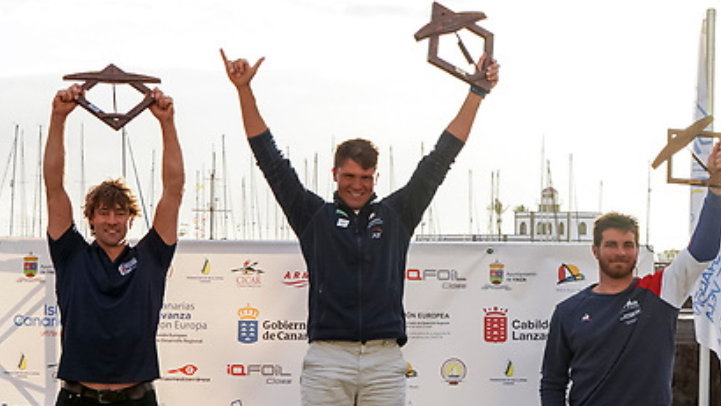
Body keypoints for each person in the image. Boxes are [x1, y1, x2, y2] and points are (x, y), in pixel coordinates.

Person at [220, 48, 498, 406]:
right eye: (348, 176)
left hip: (384, 360)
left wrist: (477, 93)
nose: (357, 185)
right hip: (327, 358)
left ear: (375, 177)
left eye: (365, 177)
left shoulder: (396, 214)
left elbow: (441, 158)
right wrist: (244, 90)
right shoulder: (313, 216)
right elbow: (269, 159)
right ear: (334, 174)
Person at [540, 143, 721, 406]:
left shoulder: (662, 290)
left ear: (637, 250)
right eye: (611, 245)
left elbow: (702, 250)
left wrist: (715, 190)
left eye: (628, 245)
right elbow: (552, 383)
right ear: (595, 250)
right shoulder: (567, 311)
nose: (620, 253)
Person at [44, 83, 184, 405]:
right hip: (78, 396)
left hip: (137, 398)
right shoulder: (71, 254)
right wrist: (57, 118)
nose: (111, 220)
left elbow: (173, 192)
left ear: (129, 219)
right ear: (90, 218)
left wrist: (167, 123)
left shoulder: (152, 256)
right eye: (103, 213)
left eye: (119, 214)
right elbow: (53, 187)